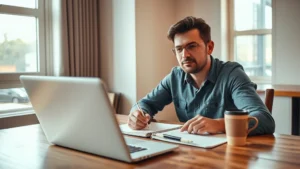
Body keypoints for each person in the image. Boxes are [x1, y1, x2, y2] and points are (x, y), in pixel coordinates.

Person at [127, 16, 275, 136]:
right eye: (179, 49)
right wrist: (137, 115)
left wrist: (219, 124)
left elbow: (265, 120)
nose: (185, 55)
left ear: (209, 47)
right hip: (190, 153)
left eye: (192, 46)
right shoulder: (174, 77)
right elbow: (144, 104)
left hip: (229, 156)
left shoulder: (232, 74)